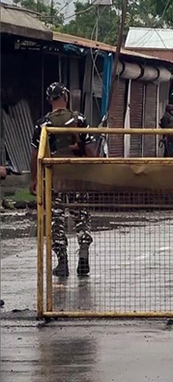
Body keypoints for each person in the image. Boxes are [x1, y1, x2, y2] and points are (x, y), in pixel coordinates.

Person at [30, 82, 96, 277]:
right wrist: (95, 172)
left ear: (49, 99)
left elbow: (35, 153)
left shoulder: (43, 124)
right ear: (65, 97)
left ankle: (62, 262)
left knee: (55, 219)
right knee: (81, 217)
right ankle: (83, 254)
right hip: (78, 177)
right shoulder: (80, 119)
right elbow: (91, 149)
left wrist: (34, 179)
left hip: (54, 178)